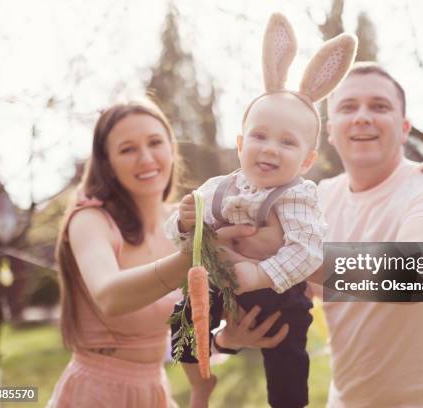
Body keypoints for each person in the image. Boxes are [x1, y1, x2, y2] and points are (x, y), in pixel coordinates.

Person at [163, 13, 356, 408]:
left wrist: (258, 273)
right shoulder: (216, 188)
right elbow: (182, 237)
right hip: (219, 285)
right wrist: (182, 222)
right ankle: (199, 378)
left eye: (287, 143)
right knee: (184, 321)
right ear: (240, 143)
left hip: (280, 295)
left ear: (306, 160)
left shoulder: (298, 198)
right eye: (260, 136)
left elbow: (307, 251)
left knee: (288, 369)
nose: (270, 148)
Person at [46, 100, 286, 408]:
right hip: (95, 393)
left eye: (155, 142)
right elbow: (109, 297)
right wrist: (196, 253)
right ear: (107, 162)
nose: (146, 158)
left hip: (153, 392)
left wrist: (228, 340)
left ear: (172, 148)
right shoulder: (90, 221)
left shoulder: (181, 223)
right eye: (127, 149)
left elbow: (184, 332)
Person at [315, 62, 423, 407]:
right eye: (348, 107)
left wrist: (295, 263)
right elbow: (292, 289)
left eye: (379, 106)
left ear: (404, 128)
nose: (362, 117)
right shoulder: (320, 199)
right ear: (331, 131)